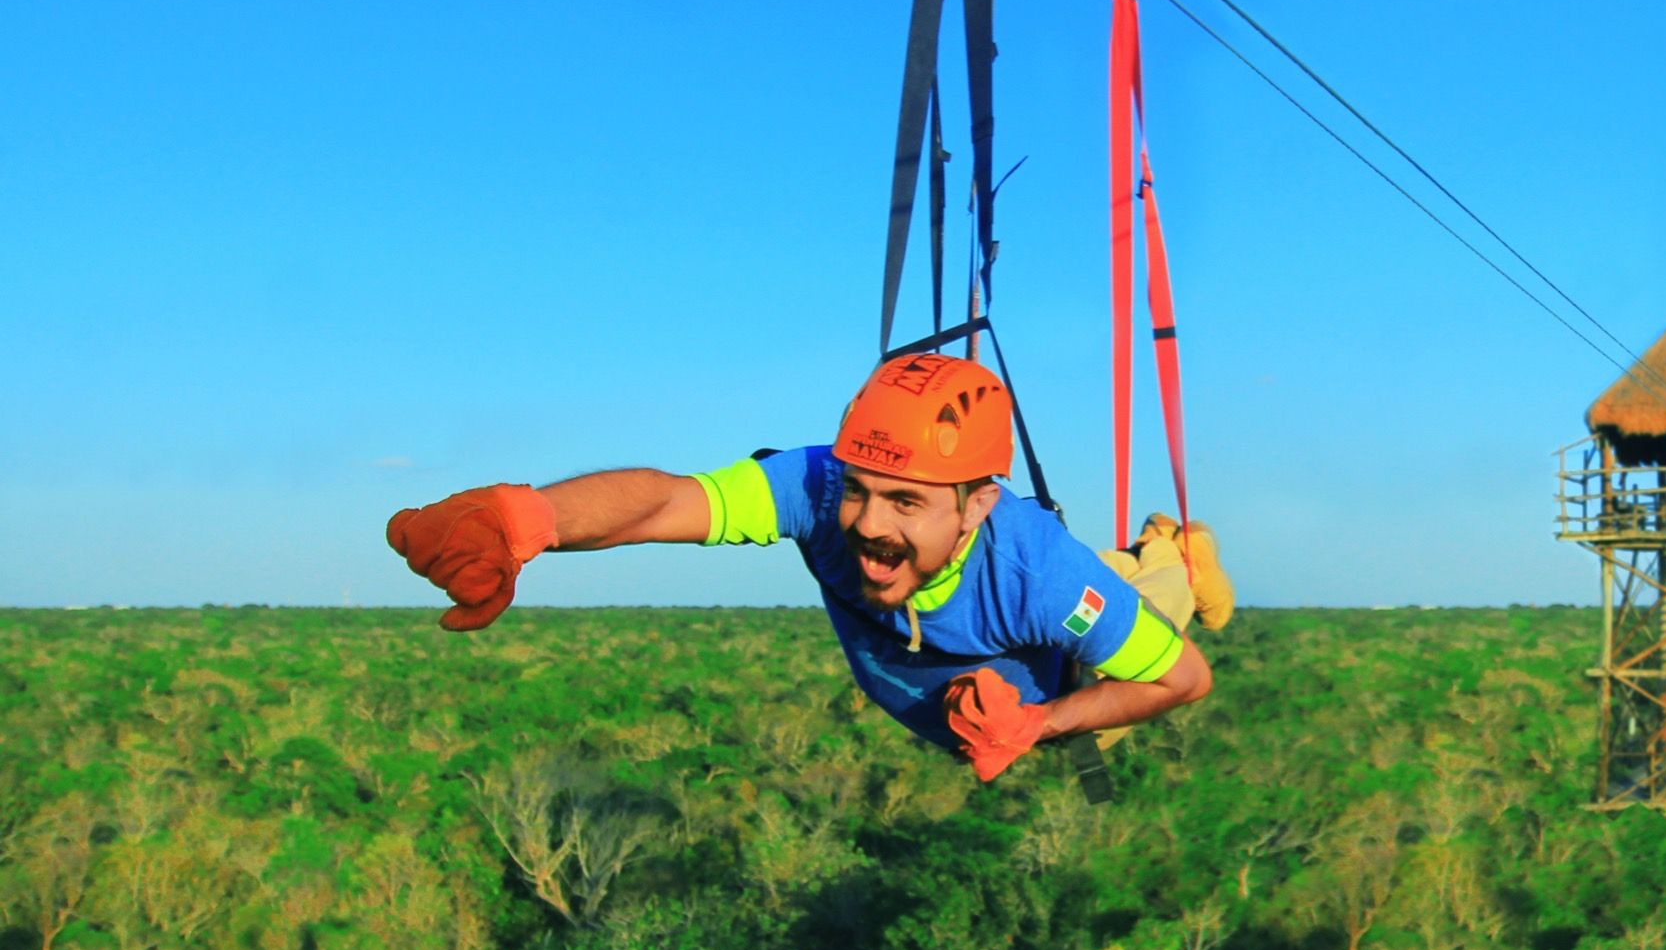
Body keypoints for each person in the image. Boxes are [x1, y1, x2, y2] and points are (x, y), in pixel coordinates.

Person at [384, 353, 1232, 785]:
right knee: (1075, 595)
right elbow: (668, 502)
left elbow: (1184, 680)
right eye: (862, 492)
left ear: (976, 503)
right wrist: (532, 519)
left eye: (905, 503)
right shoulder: (820, 487)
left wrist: (1038, 726)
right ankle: (1138, 553)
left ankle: (1173, 552)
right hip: (977, 639)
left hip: (1043, 671)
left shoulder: (1035, 575)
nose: (865, 525)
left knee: (1139, 614)